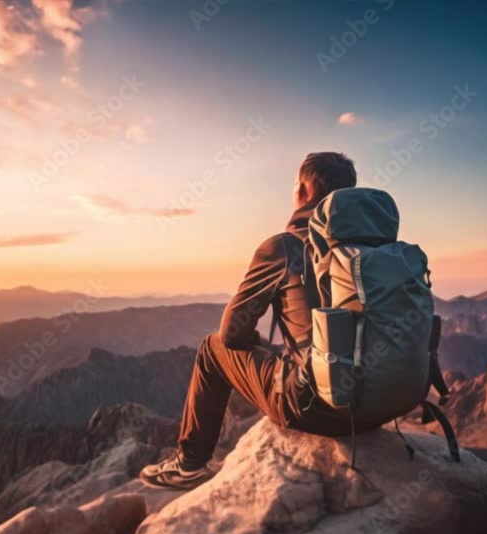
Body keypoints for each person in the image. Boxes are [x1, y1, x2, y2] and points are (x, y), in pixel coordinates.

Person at [140, 152, 371, 490]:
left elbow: (232, 335)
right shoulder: (372, 249)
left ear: (304, 191)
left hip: (315, 407)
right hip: (372, 403)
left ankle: (188, 465)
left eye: (295, 186)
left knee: (211, 347)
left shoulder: (284, 247)